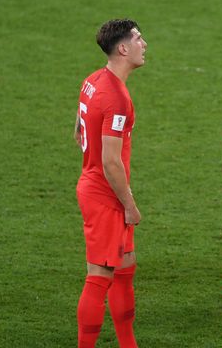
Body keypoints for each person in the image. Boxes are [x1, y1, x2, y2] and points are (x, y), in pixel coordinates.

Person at [74, 19, 147, 348]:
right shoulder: (116, 97)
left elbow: (79, 130)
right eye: (138, 39)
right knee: (100, 276)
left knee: (125, 269)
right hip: (105, 196)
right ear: (123, 48)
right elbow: (110, 161)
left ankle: (128, 343)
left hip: (97, 186)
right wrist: (129, 205)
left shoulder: (92, 80)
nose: (144, 44)